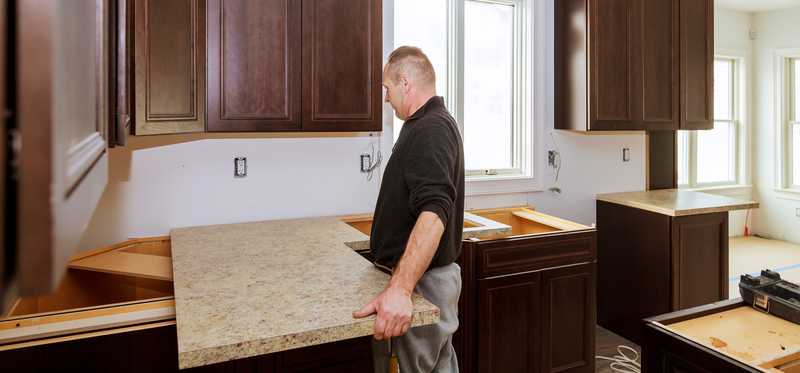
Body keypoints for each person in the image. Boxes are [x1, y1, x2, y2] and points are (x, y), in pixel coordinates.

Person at [352, 46, 465, 373]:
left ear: (405, 82)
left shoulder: (431, 129)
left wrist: (400, 290)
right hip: (426, 279)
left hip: (422, 283)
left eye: (387, 88)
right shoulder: (425, 125)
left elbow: (434, 211)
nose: (386, 98)